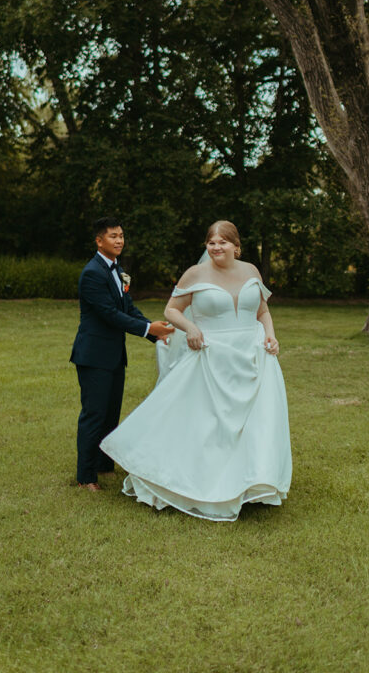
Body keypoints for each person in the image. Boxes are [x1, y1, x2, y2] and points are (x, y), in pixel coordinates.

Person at [101, 220, 292, 520]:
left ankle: (251, 483)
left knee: (256, 423)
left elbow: (262, 311)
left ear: (236, 246)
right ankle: (202, 482)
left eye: (223, 242)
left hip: (253, 354)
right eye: (211, 242)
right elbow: (171, 310)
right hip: (211, 354)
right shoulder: (195, 273)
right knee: (208, 425)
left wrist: (271, 334)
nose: (216, 247)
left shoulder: (252, 272)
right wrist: (190, 327)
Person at [70, 216, 173, 492]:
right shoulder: (92, 273)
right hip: (93, 356)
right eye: (113, 236)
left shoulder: (119, 271)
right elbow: (110, 315)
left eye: (121, 236)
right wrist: (147, 328)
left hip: (114, 356)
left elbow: (127, 308)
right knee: (94, 414)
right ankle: (85, 476)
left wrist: (155, 333)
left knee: (111, 413)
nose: (119, 241)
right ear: (99, 240)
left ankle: (105, 466)